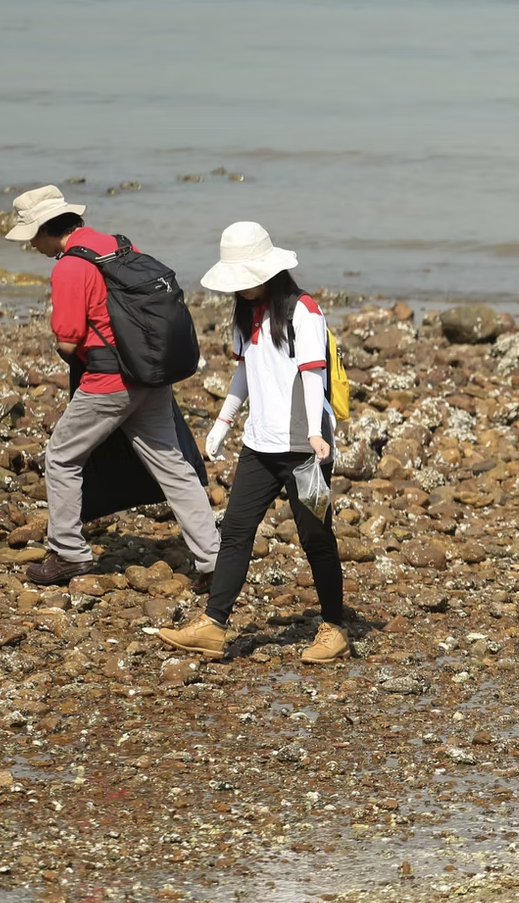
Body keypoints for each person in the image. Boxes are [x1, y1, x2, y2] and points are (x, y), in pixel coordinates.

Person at [4, 185, 219, 586]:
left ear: (47, 229)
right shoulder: (117, 245)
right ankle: (213, 559)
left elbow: (68, 339)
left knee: (61, 457)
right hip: (150, 372)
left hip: (109, 381)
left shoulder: (68, 266)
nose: (31, 244)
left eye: (31, 235)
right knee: (172, 465)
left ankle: (69, 553)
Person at [158, 222, 349, 664]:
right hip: (260, 447)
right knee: (236, 533)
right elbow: (246, 373)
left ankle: (334, 627)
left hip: (305, 450)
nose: (242, 289)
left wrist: (316, 433)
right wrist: (224, 421)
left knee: (316, 536)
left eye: (248, 279)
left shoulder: (304, 311)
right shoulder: (246, 315)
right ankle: (213, 625)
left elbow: (311, 374)